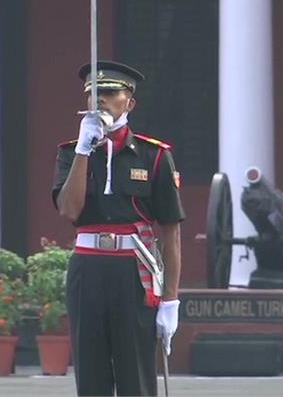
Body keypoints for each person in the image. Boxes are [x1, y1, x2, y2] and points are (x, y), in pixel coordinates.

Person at [52, 61, 185, 396]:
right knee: (91, 374)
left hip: (133, 272)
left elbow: (170, 232)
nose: (101, 101)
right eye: (94, 94)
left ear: (130, 102)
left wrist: (170, 301)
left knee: (135, 376)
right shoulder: (71, 153)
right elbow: (69, 209)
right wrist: (85, 149)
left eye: (110, 93)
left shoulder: (153, 156)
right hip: (88, 269)